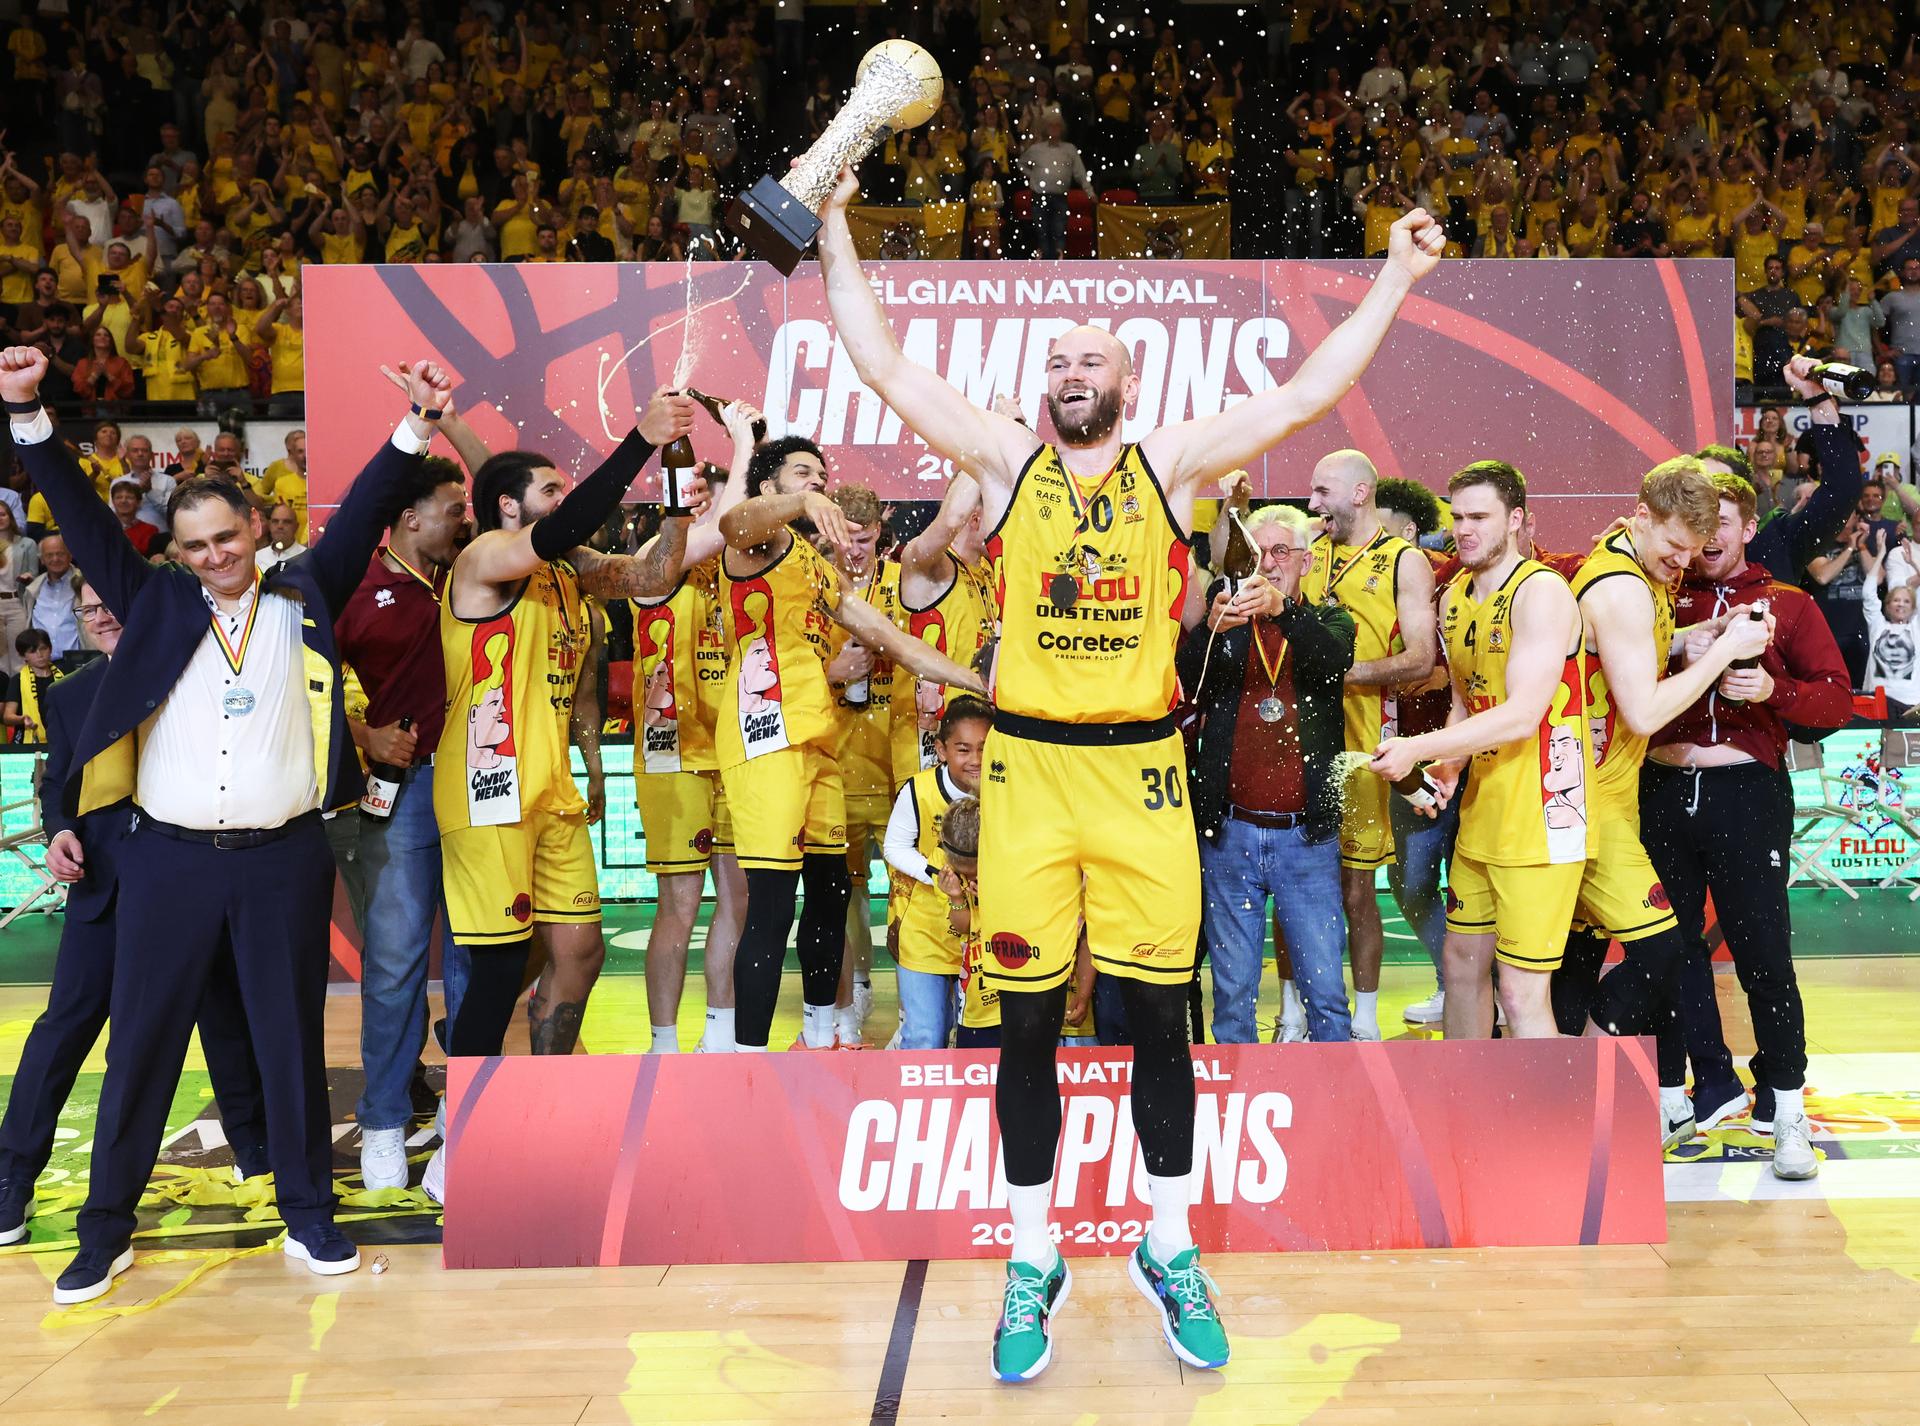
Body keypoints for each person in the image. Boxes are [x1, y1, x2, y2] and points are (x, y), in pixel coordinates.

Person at [818, 157, 1443, 1379]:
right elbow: (881, 362)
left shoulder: (1180, 466)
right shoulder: (1004, 467)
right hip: (1029, 779)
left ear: (1131, 381)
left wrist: (1397, 278)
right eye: (1057, 362)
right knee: (1026, 1026)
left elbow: (1318, 384)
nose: (1070, 375)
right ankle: (1033, 1256)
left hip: (1145, 775)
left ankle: (1167, 1243)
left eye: (1090, 362)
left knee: (1161, 1019)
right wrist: (837, 226)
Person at [0, 343, 450, 1303]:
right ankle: (103, 1230)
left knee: (288, 1041)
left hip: (282, 859)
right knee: (142, 1049)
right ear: (177, 552)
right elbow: (80, 521)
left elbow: (368, 506)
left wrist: (416, 425)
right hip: (167, 863)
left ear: (256, 525)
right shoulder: (156, 601)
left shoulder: (303, 592)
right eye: (195, 546)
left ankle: (309, 1218)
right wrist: (29, 413)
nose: (214, 558)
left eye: (226, 539)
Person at [424, 389, 704, 1206]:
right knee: (503, 962)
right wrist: (636, 441)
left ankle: (546, 1102)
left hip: (548, 795)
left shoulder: (569, 575)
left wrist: (678, 489)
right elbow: (542, 519)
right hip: (485, 792)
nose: (567, 499)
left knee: (579, 951)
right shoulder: (484, 562)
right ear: (512, 509)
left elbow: (655, 571)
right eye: (552, 489)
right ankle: (459, 1141)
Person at [0, 582, 268, 1245]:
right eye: (90, 608)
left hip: (196, 882)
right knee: (64, 1028)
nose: (103, 615)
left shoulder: (204, 674)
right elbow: (57, 780)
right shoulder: (67, 695)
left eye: (111, 601)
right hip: (107, 886)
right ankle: (12, 1177)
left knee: (225, 1018)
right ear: (83, 625)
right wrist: (59, 827)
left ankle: (260, 1155)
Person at [712, 446, 984, 1055]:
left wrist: (977, 683)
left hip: (818, 743)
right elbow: (735, 522)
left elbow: (892, 639)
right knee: (773, 906)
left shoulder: (815, 566)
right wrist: (804, 500)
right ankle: (743, 1061)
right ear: (770, 485)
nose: (819, 483)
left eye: (822, 476)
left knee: (831, 893)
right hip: (767, 739)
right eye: (803, 473)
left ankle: (819, 1035)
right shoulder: (751, 544)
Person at [1549, 461, 1773, 1144]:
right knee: (1662, 950)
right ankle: (1578, 1087)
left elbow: (1622, 656)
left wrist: (1684, 640)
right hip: (1589, 794)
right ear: (1640, 512)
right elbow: (1643, 711)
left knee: (1575, 954)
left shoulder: (1628, 562)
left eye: (1691, 554)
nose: (1680, 565)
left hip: (1588, 789)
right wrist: (1723, 653)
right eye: (1673, 549)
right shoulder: (1621, 586)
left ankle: (1562, 1093)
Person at [1644, 471, 1852, 1182]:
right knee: (1664, 954)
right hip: (1660, 788)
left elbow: (1836, 702)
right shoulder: (1657, 595)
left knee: (1764, 953)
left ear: (1748, 527)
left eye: (1725, 521)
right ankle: (1673, 1096)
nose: (1711, 535)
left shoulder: (1787, 604)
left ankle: (1786, 1108)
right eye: (1701, 522)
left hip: (1747, 794)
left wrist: (1774, 690)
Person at [1370, 463, 1591, 1039]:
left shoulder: (1541, 592)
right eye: (1457, 517)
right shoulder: (1457, 596)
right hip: (1483, 813)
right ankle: (1465, 1109)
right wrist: (1447, 765)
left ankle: (1543, 1127)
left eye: (1479, 518)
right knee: (1461, 966)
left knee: (1520, 992)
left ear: (1515, 520)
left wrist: (1416, 746)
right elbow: (1469, 700)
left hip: (1544, 816)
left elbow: (1520, 717)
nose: (1463, 530)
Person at [331, 454, 470, 1190]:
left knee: (482, 955)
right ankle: (384, 1121)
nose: (466, 518)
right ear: (410, 517)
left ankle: (464, 1114)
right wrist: (366, 735)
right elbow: (307, 686)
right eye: (454, 507)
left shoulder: (472, 572)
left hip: (484, 791)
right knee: (394, 964)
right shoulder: (355, 586)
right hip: (402, 789)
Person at [1179, 504, 1356, 1044]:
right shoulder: (1226, 622)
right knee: (1232, 996)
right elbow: (1188, 688)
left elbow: (1332, 660)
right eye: (1257, 552)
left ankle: (1339, 1116)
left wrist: (1282, 612)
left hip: (1307, 836)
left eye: (1281, 551)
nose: (1270, 562)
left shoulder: (1329, 619)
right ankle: (1238, 1111)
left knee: (1326, 992)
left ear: (1305, 560)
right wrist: (1207, 632)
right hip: (1229, 833)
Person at [629, 402, 759, 1054]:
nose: (704, 501)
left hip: (731, 752)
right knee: (679, 908)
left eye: (710, 491)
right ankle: (662, 1044)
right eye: (694, 492)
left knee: (737, 902)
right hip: (671, 751)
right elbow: (722, 529)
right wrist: (742, 443)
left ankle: (722, 1035)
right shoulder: (658, 555)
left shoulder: (733, 569)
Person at [1302, 450, 1438, 1040]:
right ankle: (1295, 1013)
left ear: (1360, 494)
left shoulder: (1405, 562)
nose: (1312, 504)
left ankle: (1364, 1019)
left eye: (1322, 490)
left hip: (1362, 742)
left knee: (1358, 887)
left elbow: (1420, 658)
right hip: (1300, 735)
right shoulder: (1308, 551)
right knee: (1299, 881)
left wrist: (1340, 672)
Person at [1372, 475, 1454, 1025]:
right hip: (1404, 756)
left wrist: (1432, 674)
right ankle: (1457, 982)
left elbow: (1455, 670)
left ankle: (1478, 986)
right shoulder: (1356, 585)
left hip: (1464, 757)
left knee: (1458, 878)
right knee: (1412, 877)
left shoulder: (1449, 581)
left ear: (1406, 531)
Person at [884, 696, 994, 1048]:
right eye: (963, 749)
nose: (975, 759)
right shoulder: (918, 790)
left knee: (978, 1038)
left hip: (984, 934)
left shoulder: (1006, 788)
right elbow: (894, 848)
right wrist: (936, 872)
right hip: (927, 930)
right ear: (942, 750)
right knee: (927, 1036)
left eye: (984, 748)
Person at [1863, 531, 1920, 712]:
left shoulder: (1916, 627)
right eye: (1896, 600)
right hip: (1877, 701)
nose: (1900, 605)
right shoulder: (1877, 625)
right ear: (1887, 604)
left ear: (1913, 607)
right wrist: (1880, 554)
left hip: (1911, 703)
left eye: (1906, 601)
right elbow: (1868, 593)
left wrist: (1913, 564)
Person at [2, 627, 59, 742]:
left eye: (43, 648)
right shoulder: (17, 680)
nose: (40, 654)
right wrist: (22, 719)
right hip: (28, 740)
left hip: (62, 739)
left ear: (51, 649)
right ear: (23, 656)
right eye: (32, 651)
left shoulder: (66, 675)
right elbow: (7, 716)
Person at [254, 501, 308, 572]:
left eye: (286, 522)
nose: (280, 526)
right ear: (270, 525)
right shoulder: (257, 558)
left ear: (296, 526)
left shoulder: (306, 557)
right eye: (275, 521)